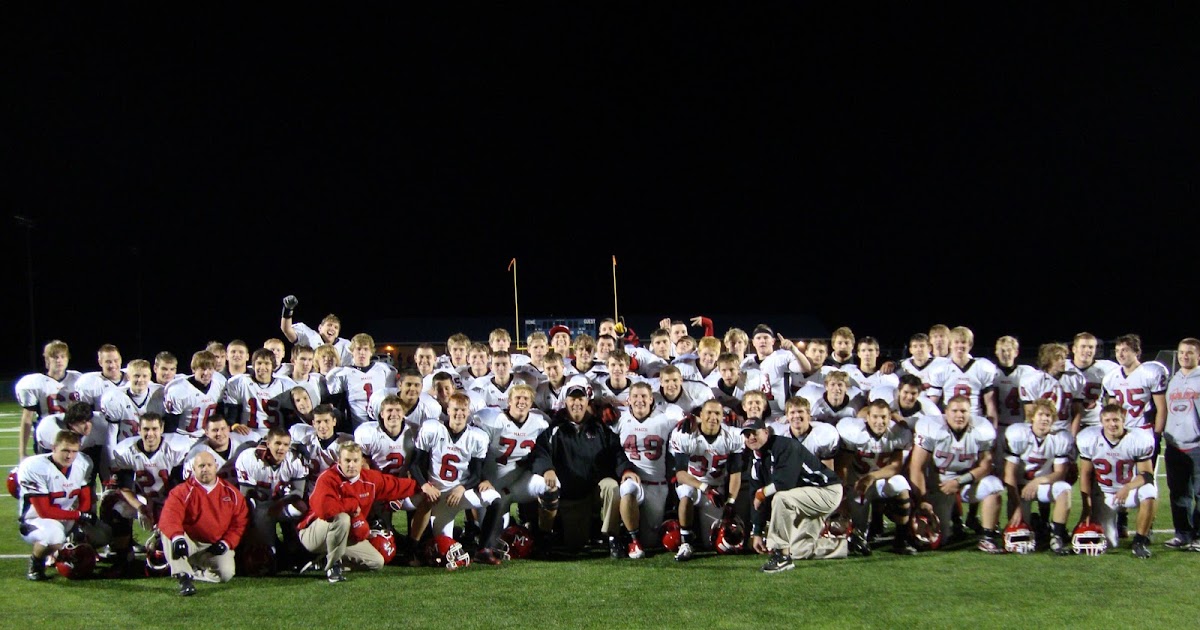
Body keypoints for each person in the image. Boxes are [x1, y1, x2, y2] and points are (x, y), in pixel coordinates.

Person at [530, 385, 637, 554]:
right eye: (573, 399)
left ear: (587, 402)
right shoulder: (555, 429)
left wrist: (626, 470)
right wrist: (547, 469)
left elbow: (616, 451)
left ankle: (612, 536)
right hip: (571, 496)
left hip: (595, 490)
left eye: (581, 399)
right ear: (565, 402)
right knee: (575, 544)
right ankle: (549, 534)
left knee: (612, 486)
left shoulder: (600, 428)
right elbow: (540, 452)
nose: (577, 403)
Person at [297, 441, 419, 583]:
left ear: (361, 461)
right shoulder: (328, 478)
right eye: (347, 460)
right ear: (339, 461)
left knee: (376, 562)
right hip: (313, 534)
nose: (351, 465)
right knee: (342, 518)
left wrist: (424, 487)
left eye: (355, 460)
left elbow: (396, 485)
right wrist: (352, 506)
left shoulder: (369, 479)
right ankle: (333, 567)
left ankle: (324, 562)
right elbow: (326, 511)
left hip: (343, 535)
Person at [743, 418, 844, 573]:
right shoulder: (756, 460)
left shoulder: (784, 445)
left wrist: (762, 493)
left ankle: (781, 556)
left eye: (754, 432)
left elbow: (785, 482)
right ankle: (847, 544)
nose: (751, 437)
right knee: (798, 550)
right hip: (805, 499)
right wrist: (756, 532)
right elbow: (755, 499)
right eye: (747, 434)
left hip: (827, 491)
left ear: (765, 432)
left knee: (781, 498)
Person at [408, 394, 499, 562]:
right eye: (455, 409)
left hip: (460, 493)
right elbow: (414, 464)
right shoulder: (433, 429)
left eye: (463, 409)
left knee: (495, 500)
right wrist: (425, 485)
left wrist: (462, 488)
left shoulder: (477, 436)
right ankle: (411, 548)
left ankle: (484, 548)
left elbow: (476, 473)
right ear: (448, 410)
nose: (459, 413)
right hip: (435, 493)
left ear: (469, 411)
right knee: (444, 549)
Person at [908, 395, 1004, 552]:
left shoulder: (981, 429)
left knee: (993, 485)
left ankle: (988, 538)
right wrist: (922, 500)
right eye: (955, 411)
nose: (959, 415)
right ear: (946, 412)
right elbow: (916, 467)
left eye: (964, 411)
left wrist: (959, 481)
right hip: (940, 484)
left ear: (970, 412)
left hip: (966, 481)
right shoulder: (931, 427)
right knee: (938, 540)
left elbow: (985, 465)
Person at [472, 384, 551, 557]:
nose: (521, 401)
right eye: (517, 398)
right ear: (509, 401)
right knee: (489, 537)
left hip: (518, 482)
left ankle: (544, 534)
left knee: (551, 486)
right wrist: (480, 479)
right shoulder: (491, 419)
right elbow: (475, 455)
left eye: (526, 398)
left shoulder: (540, 422)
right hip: (491, 485)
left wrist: (547, 470)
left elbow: (542, 452)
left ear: (532, 403)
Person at [158, 451, 249, 595]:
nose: (205, 469)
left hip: (213, 545)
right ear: (193, 469)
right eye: (201, 466)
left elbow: (239, 523)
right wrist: (177, 537)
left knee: (225, 573)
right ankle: (184, 578)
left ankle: (196, 573)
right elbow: (170, 517)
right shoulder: (182, 491)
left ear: (216, 467)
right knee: (168, 534)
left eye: (209, 465)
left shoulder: (232, 494)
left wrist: (227, 542)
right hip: (190, 541)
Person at [835, 399, 917, 555]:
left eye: (884, 417)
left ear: (889, 418)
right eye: (876, 417)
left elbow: (895, 466)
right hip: (857, 485)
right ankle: (860, 535)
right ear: (867, 417)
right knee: (859, 535)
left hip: (877, 481)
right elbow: (843, 466)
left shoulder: (898, 433)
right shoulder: (853, 432)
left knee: (900, 484)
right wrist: (843, 495)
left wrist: (871, 477)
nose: (880, 421)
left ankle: (901, 539)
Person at [17, 430, 100, 581]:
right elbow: (44, 511)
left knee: (102, 534)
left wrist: (81, 518)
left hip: (67, 517)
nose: (69, 456)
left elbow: (85, 495)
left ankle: (65, 552)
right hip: (36, 520)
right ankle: (36, 564)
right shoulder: (35, 467)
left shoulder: (83, 462)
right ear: (54, 448)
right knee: (53, 536)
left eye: (74, 451)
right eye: (65, 450)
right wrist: (78, 515)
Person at [1077, 404, 1158, 558]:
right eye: (1107, 420)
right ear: (1101, 421)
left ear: (1123, 420)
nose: (1112, 424)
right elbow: (1086, 474)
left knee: (1149, 491)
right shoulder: (1089, 438)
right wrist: (1086, 508)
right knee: (1110, 543)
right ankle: (1115, 524)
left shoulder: (1137, 439)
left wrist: (1128, 487)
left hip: (1127, 491)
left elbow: (1147, 475)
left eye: (1116, 420)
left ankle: (1139, 541)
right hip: (1104, 495)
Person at [108, 413, 189, 566]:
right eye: (146, 429)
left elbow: (180, 488)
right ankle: (123, 558)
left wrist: (166, 512)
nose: (150, 434)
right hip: (143, 498)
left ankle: (181, 554)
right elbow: (124, 487)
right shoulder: (127, 451)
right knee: (116, 508)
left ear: (162, 429)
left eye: (154, 429)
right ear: (138, 429)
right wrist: (141, 508)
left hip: (169, 499)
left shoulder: (174, 449)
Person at [668, 399, 744, 561]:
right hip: (692, 482)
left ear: (723, 416)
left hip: (717, 487)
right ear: (700, 415)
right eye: (708, 413)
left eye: (717, 413)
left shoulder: (733, 436)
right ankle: (686, 542)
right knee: (686, 493)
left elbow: (735, 474)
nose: (713, 417)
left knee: (710, 543)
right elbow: (681, 474)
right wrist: (705, 488)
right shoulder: (685, 435)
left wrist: (730, 501)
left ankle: (697, 534)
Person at [611, 382, 676, 557]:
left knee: (651, 541)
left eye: (644, 396)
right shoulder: (619, 419)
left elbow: (690, 421)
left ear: (651, 399)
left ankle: (632, 535)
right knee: (628, 488)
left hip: (657, 484)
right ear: (628, 400)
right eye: (636, 396)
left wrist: (695, 419)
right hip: (633, 479)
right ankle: (632, 541)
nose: (640, 400)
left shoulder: (665, 419)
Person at [1002, 399, 1074, 555]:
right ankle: (1035, 523)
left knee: (1064, 489)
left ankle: (1057, 536)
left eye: (1048, 415)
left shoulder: (1059, 438)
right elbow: (1009, 474)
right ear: (1032, 417)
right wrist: (1017, 507)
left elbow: (1060, 472)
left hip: (1042, 485)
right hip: (1020, 489)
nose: (1044, 418)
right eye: (1040, 414)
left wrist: (1038, 481)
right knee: (1020, 534)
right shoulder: (1019, 435)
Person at [234, 427, 309, 570]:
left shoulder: (294, 459)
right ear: (268, 443)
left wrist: (281, 504)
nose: (281, 448)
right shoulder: (250, 458)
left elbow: (299, 491)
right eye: (277, 443)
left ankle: (294, 543)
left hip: (283, 504)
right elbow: (245, 494)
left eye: (286, 444)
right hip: (261, 507)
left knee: (301, 508)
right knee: (266, 556)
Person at [16, 340, 82, 461]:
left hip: (74, 435)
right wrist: (22, 452)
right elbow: (27, 419)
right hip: (48, 435)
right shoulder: (36, 382)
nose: (59, 360)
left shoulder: (78, 379)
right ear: (47, 360)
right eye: (55, 357)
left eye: (63, 356)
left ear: (68, 359)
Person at [1163, 337, 1200, 550]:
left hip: (1197, 445)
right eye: (1182, 352)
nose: (1185, 356)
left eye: (1190, 352)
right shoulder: (1174, 379)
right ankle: (1183, 534)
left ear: (1198, 355)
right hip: (1175, 446)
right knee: (1178, 493)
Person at [925, 326, 1000, 427]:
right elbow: (932, 405)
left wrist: (993, 430)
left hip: (974, 420)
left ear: (970, 345)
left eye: (963, 342)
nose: (960, 345)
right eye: (956, 342)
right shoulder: (941, 368)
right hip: (950, 421)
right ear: (950, 344)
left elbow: (990, 405)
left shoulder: (981, 367)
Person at [325, 333, 398, 427]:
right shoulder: (343, 373)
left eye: (366, 349)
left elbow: (392, 396)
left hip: (383, 423)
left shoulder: (384, 370)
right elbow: (335, 396)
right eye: (358, 349)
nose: (362, 352)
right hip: (358, 425)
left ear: (371, 352)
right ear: (352, 351)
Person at [1102, 333, 1170, 435]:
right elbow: (1112, 409)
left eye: (1124, 350)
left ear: (1137, 352)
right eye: (1117, 351)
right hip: (1121, 430)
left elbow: (1162, 408)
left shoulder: (1149, 372)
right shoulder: (1111, 376)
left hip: (1144, 429)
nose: (1120, 355)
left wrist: (1157, 434)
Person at [223, 348, 298, 437]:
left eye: (267, 363)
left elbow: (291, 415)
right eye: (259, 363)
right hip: (247, 434)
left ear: (273, 366)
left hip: (276, 435)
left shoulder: (285, 384)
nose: (262, 367)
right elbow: (231, 411)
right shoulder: (240, 382)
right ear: (253, 365)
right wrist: (233, 425)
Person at [740, 325, 812, 415]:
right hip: (755, 413)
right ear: (753, 342)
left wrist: (794, 350)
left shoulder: (783, 356)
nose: (762, 341)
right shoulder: (746, 363)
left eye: (766, 337)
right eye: (758, 338)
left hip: (779, 413)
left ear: (773, 341)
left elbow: (805, 367)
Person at [1019, 342, 1085, 435]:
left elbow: (1077, 412)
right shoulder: (1033, 380)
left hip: (1064, 430)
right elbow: (1030, 414)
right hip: (1041, 430)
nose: (1063, 361)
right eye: (1058, 358)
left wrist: (1073, 436)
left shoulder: (1074, 378)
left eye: (1064, 357)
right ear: (1048, 360)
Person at [100, 359, 165, 450]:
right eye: (136, 376)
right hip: (125, 449)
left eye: (144, 376)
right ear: (128, 376)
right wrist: (113, 460)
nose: (140, 380)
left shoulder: (159, 394)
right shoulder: (115, 397)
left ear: (150, 377)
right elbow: (111, 435)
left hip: (152, 448)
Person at [164, 351, 228, 440]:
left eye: (209, 369)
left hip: (209, 435)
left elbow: (220, 413)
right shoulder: (178, 390)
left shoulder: (219, 384)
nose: (206, 373)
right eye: (202, 369)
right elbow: (170, 425)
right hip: (184, 437)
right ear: (194, 369)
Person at [769, 397, 840, 468]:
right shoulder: (779, 434)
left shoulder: (823, 433)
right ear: (787, 416)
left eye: (800, 411)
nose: (796, 416)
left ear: (808, 414)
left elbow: (828, 473)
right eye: (792, 412)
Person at [279, 295, 352, 365]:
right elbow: (287, 329)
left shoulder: (346, 345)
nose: (332, 328)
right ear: (320, 328)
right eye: (329, 325)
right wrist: (288, 310)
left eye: (336, 327)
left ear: (338, 333)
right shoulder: (310, 336)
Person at [184, 412, 256, 483]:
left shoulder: (242, 444)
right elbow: (191, 485)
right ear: (206, 432)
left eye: (223, 429)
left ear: (228, 429)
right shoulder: (196, 455)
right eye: (215, 430)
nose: (219, 434)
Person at [1070, 332, 1119, 430]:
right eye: (1083, 346)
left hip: (1094, 423)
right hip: (1067, 421)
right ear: (1074, 349)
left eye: (1091, 347)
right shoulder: (1064, 367)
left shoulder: (1106, 368)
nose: (1087, 350)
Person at [797, 371, 865, 424]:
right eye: (832, 384)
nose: (836, 388)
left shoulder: (856, 401)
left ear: (846, 387)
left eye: (840, 385)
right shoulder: (813, 397)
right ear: (826, 386)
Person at [74, 344, 128, 411]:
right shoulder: (90, 381)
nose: (112, 365)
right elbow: (85, 413)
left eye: (116, 360)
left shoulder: (133, 377)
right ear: (100, 362)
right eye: (108, 362)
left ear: (120, 360)